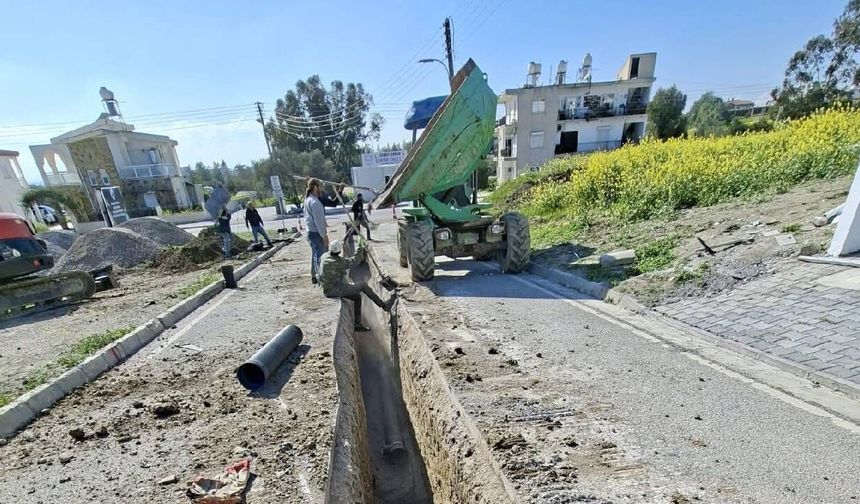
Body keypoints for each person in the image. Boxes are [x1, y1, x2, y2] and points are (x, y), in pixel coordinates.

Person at [319, 240, 395, 331]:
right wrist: (360, 246)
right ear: (339, 251)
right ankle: (384, 306)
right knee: (362, 285)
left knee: (357, 297)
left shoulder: (324, 256)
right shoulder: (337, 262)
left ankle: (357, 325)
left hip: (328, 288)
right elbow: (354, 261)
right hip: (334, 289)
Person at [304, 178, 328, 284]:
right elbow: (318, 222)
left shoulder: (308, 199)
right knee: (320, 256)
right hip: (316, 233)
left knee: (315, 255)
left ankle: (314, 275)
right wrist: (324, 236)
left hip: (310, 232)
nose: (321, 189)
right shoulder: (315, 202)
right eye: (319, 187)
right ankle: (321, 279)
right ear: (315, 187)